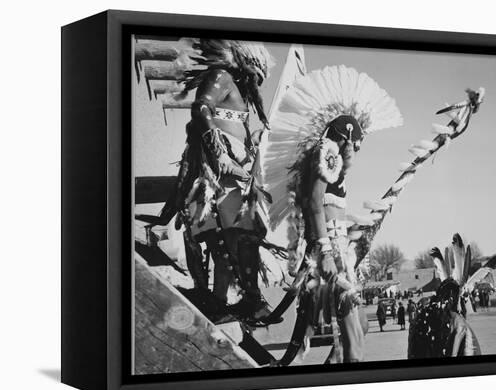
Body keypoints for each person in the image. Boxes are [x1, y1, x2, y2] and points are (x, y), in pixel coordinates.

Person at [263, 65, 403, 363]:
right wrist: (326, 252)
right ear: (345, 137)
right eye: (354, 142)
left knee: (361, 326)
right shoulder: (326, 152)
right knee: (353, 332)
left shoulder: (330, 157)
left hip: (339, 252)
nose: (356, 149)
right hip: (328, 255)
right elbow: (314, 204)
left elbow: (326, 207)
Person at [140, 39, 277, 324]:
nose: (260, 81)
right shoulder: (221, 77)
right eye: (258, 73)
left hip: (236, 176)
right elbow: (201, 107)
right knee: (224, 241)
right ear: (245, 62)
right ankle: (221, 301)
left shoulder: (239, 92)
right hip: (215, 176)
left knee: (242, 239)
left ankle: (237, 302)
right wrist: (219, 153)